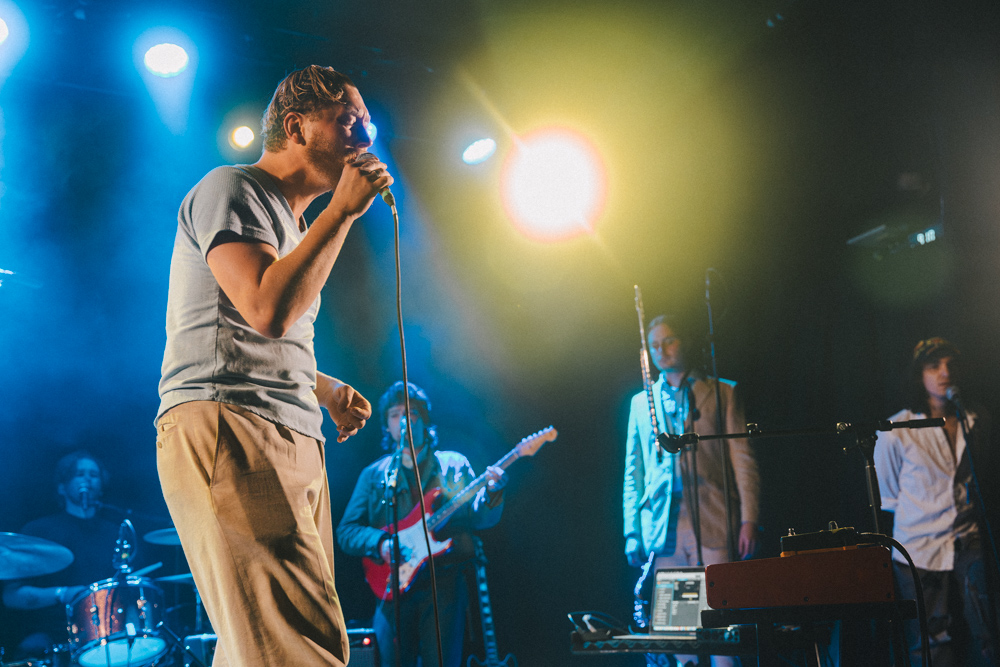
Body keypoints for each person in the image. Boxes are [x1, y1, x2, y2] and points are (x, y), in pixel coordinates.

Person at [155, 65, 385, 667]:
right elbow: (264, 306)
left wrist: (319, 385)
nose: (364, 137)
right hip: (233, 424)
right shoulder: (233, 187)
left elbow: (242, 328)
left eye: (367, 125)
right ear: (296, 127)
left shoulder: (294, 223)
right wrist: (342, 213)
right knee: (300, 647)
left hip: (282, 428)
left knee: (259, 647)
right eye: (348, 121)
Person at [337, 381, 507, 667]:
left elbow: (479, 518)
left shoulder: (452, 465)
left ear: (425, 420)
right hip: (391, 587)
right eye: (395, 414)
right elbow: (346, 532)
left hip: (444, 585)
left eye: (412, 413)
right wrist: (381, 543)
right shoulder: (374, 475)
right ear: (387, 425)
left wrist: (492, 493)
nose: (404, 420)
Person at [623, 314, 760, 667]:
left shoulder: (721, 391)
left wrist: (749, 519)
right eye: (654, 346)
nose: (662, 351)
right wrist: (632, 532)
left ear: (684, 341)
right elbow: (633, 473)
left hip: (714, 519)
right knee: (681, 634)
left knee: (721, 633)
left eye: (669, 342)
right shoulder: (642, 403)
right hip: (666, 529)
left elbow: (742, 458)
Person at [875, 337, 998, 666]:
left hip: (967, 538)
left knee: (988, 629)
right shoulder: (896, 429)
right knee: (930, 641)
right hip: (919, 547)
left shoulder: (977, 419)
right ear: (919, 375)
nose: (945, 373)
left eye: (950, 365)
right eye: (934, 366)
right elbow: (889, 494)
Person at [3, 450, 121, 657]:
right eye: (78, 474)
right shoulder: (39, 531)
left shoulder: (115, 533)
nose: (87, 479)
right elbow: (11, 596)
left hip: (107, 633)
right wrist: (62, 594)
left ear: (101, 485)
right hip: (52, 635)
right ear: (62, 487)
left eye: (93, 475)